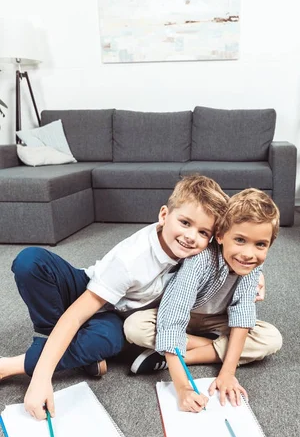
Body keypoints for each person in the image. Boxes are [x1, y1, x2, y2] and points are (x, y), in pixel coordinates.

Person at [0, 175, 229, 420]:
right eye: (185, 222)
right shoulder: (131, 260)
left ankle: (59, 353)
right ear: (164, 215)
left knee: (109, 339)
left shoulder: (198, 251)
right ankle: (27, 358)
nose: (192, 236)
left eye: (203, 232)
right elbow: (76, 315)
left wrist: (254, 272)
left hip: (116, 315)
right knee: (31, 262)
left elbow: (241, 231)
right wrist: (41, 378)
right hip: (88, 288)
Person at [125, 188, 282, 413]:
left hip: (218, 321)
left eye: (260, 245)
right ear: (220, 236)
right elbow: (173, 317)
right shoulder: (200, 261)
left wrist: (227, 373)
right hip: (184, 317)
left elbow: (242, 313)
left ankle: (175, 357)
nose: (248, 254)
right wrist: (182, 388)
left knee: (271, 339)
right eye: (239, 240)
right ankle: (207, 345)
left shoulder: (252, 267)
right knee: (135, 327)